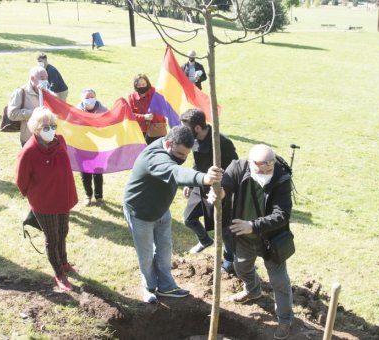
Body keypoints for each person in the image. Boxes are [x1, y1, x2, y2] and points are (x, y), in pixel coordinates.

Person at [123, 126, 223, 304]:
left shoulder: (171, 149)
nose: (183, 158)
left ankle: (166, 286)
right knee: (146, 254)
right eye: (179, 154)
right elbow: (174, 172)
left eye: (186, 155)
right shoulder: (155, 158)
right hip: (141, 212)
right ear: (168, 144)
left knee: (165, 249)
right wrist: (203, 179)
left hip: (161, 209)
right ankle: (149, 286)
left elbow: (178, 172)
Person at [220, 144, 294, 340]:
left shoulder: (281, 178)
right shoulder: (238, 167)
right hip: (243, 236)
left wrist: (252, 225)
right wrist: (218, 193)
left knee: (279, 281)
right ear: (251, 163)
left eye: (268, 169)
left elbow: (282, 215)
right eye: (260, 169)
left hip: (272, 239)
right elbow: (224, 185)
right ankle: (253, 291)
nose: (265, 173)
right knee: (241, 267)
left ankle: (285, 320)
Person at [15, 108, 78, 291]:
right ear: (35, 128)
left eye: (53, 126)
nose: (50, 130)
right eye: (46, 127)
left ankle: (64, 262)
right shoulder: (29, 151)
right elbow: (21, 180)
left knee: (63, 231)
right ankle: (59, 273)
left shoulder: (60, 142)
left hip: (63, 197)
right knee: (52, 237)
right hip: (45, 202)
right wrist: (36, 197)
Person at [180, 108, 238, 273]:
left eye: (186, 127)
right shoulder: (194, 141)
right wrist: (190, 183)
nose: (184, 130)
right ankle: (205, 240)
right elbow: (197, 164)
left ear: (197, 128)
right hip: (200, 186)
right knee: (188, 219)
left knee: (224, 228)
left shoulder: (222, 142)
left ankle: (229, 260)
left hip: (220, 190)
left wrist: (222, 187)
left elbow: (235, 168)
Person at [77, 88, 108, 206]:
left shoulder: (103, 110)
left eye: (92, 97)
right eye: (86, 98)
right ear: (82, 99)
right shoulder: (76, 111)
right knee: (85, 174)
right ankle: (87, 195)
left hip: (98, 147)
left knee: (98, 173)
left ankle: (99, 197)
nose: (90, 100)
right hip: (82, 147)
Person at [7, 66, 50, 146]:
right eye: (42, 78)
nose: (45, 81)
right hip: (29, 138)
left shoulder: (48, 92)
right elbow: (12, 114)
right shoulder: (20, 92)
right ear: (32, 78)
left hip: (46, 137)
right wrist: (34, 113)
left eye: (46, 78)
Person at [128, 73, 167, 144]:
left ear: (147, 83)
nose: (141, 86)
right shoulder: (132, 96)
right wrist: (144, 117)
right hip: (141, 130)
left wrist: (153, 114)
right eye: (139, 85)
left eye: (143, 84)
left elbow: (164, 109)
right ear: (135, 86)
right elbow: (130, 115)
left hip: (156, 129)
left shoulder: (156, 92)